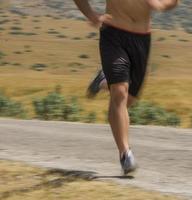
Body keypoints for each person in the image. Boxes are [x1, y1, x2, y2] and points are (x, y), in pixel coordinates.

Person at [73, 0, 179, 175]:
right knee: (120, 93)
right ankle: (125, 154)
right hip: (113, 34)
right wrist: (91, 15)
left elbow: (172, 2)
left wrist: (162, 5)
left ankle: (103, 81)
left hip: (142, 39)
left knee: (129, 98)